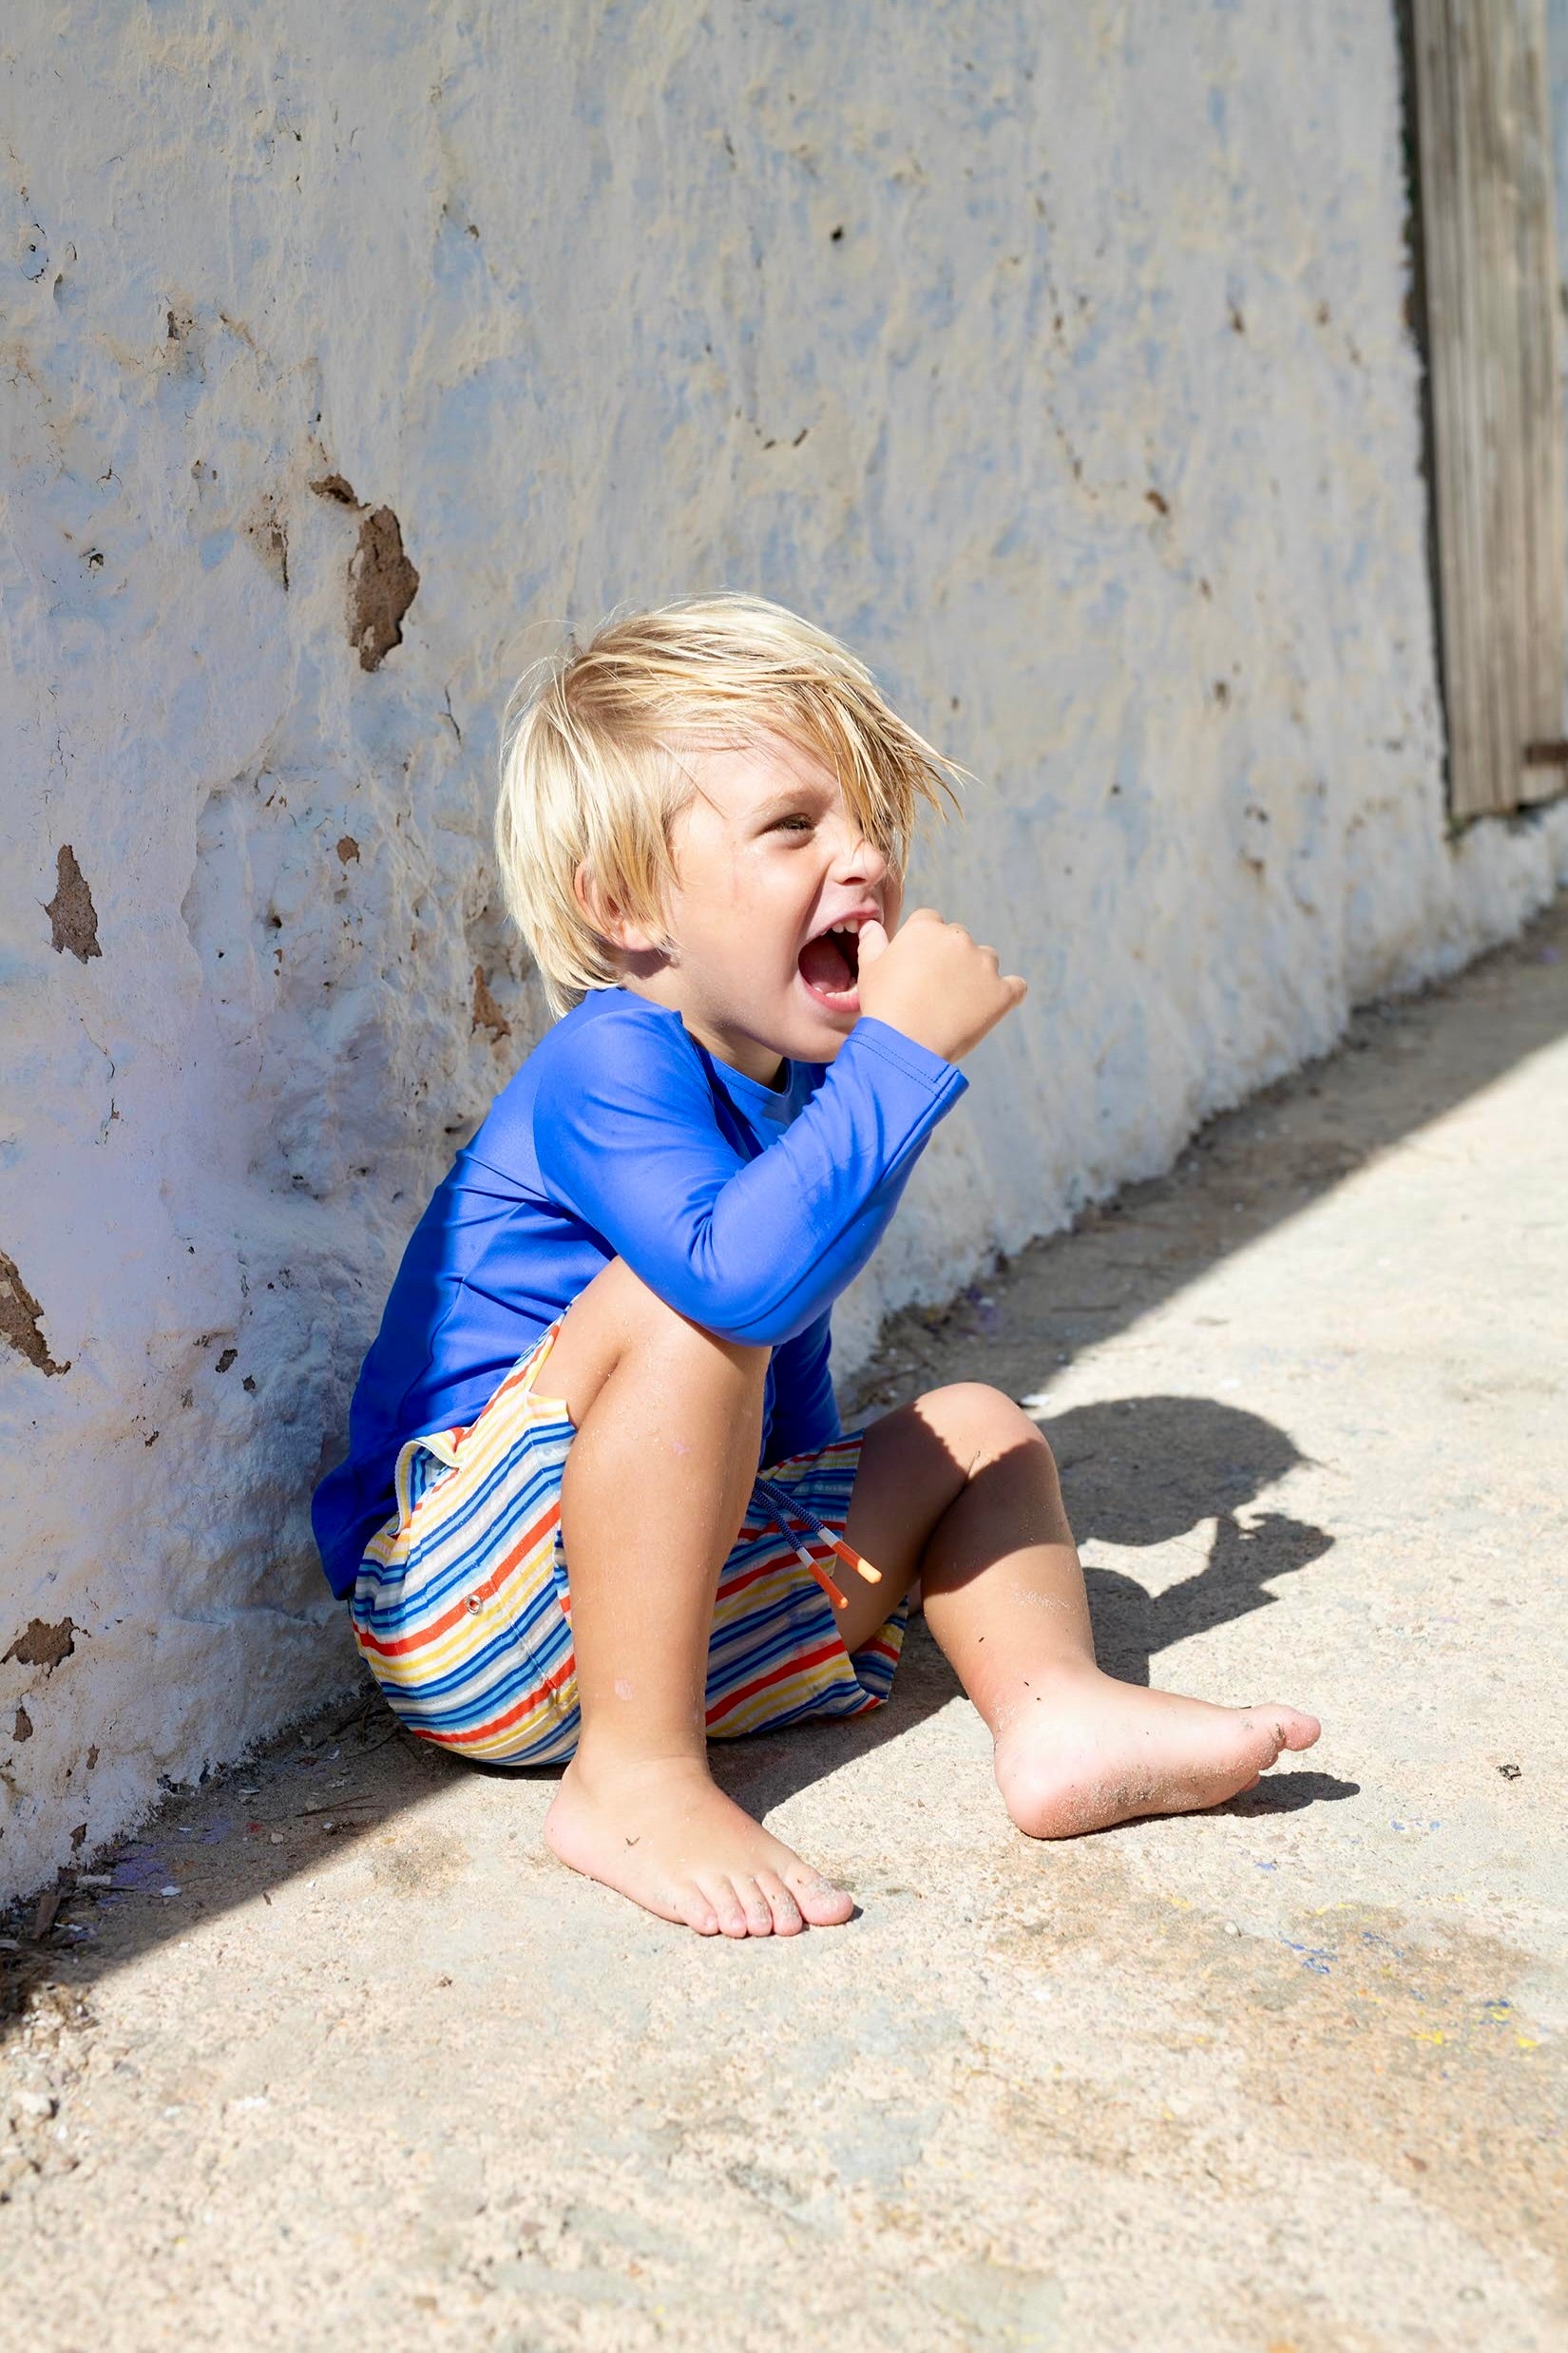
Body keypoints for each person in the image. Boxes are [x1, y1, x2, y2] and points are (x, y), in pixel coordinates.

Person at [312, 595, 1319, 1940]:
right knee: (685, 1299)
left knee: (976, 1432)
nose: (865, 865)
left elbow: (772, 1413)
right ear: (623, 906)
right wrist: (903, 1065)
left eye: (875, 828)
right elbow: (733, 1298)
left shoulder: (795, 1097)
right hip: (469, 1608)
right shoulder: (605, 1061)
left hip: (696, 1622)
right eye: (794, 827)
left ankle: (1055, 1713)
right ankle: (632, 1779)